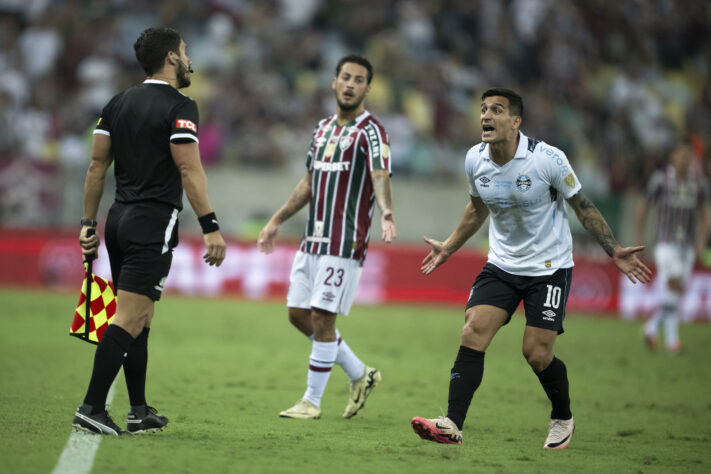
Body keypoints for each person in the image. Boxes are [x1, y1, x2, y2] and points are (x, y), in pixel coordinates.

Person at [410, 88, 652, 448]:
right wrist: (449, 246)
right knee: (473, 331)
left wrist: (613, 249)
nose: (486, 116)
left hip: (549, 268)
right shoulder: (475, 159)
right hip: (502, 265)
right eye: (483, 109)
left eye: (496, 110)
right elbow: (477, 207)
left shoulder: (548, 159)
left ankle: (562, 417)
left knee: (536, 353)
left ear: (515, 121)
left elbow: (582, 205)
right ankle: (452, 424)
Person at [74, 27, 227, 435]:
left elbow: (95, 168)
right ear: (172, 59)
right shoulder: (181, 105)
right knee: (132, 315)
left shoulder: (116, 103)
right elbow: (189, 168)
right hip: (151, 221)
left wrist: (88, 224)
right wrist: (211, 226)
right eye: (185, 50)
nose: (190, 58)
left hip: (118, 218)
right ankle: (91, 407)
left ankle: (138, 411)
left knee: (141, 318)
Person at [257, 55, 396, 420]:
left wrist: (386, 210)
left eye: (359, 79)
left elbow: (380, 175)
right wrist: (276, 219)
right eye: (345, 77)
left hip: (345, 240)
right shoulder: (321, 130)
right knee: (297, 313)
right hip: (313, 238)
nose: (351, 84)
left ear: (367, 88)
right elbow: (309, 182)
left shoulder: (372, 131)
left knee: (322, 316)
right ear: (334, 82)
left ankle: (312, 402)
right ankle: (359, 374)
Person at [635, 140, 709, 353]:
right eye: (681, 155)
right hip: (665, 243)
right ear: (673, 157)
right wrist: (640, 237)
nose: (684, 159)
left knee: (676, 292)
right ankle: (672, 341)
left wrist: (701, 242)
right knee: (674, 284)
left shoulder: (699, 182)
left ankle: (651, 329)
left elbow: (705, 214)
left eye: (688, 156)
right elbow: (643, 205)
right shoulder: (661, 179)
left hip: (687, 245)